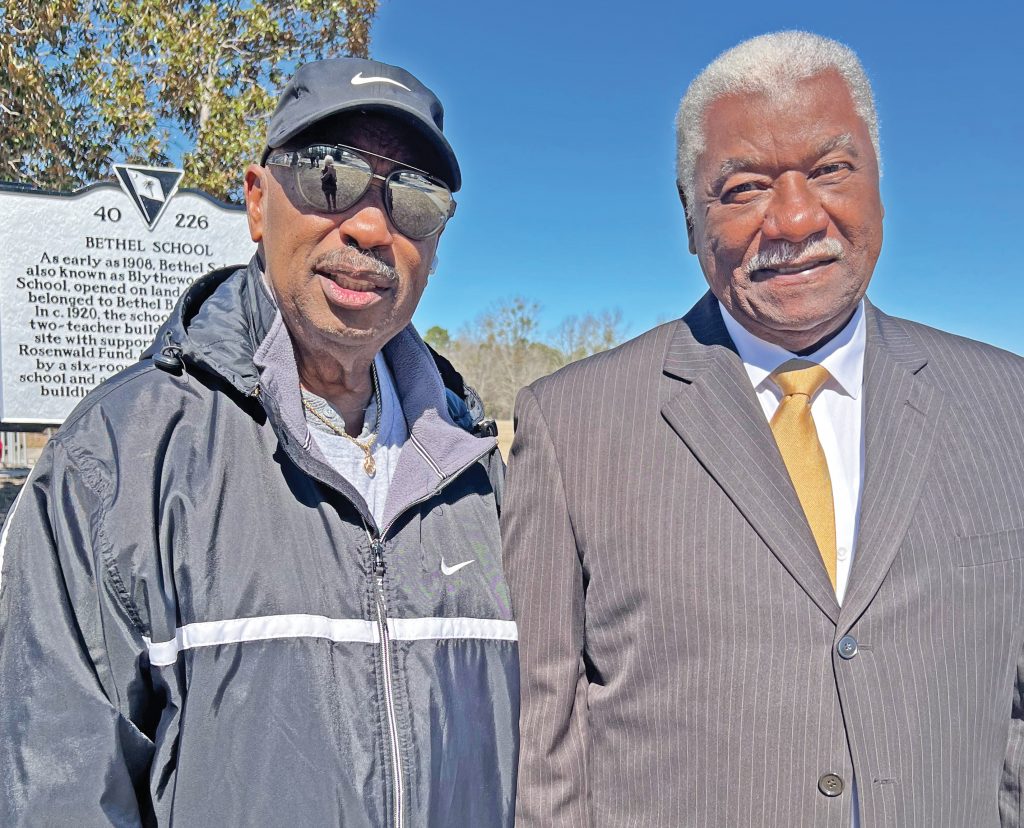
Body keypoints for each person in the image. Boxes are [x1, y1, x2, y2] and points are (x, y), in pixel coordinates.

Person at [503, 31, 1024, 827]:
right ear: (690, 220)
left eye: (830, 170)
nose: (795, 217)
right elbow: (546, 745)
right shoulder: (572, 428)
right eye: (744, 188)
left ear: (879, 185)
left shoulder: (1006, 405)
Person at [0, 57, 518, 826]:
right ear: (255, 200)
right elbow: (60, 793)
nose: (371, 228)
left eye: (413, 196)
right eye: (329, 176)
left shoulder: (479, 472)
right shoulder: (114, 461)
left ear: (437, 243)